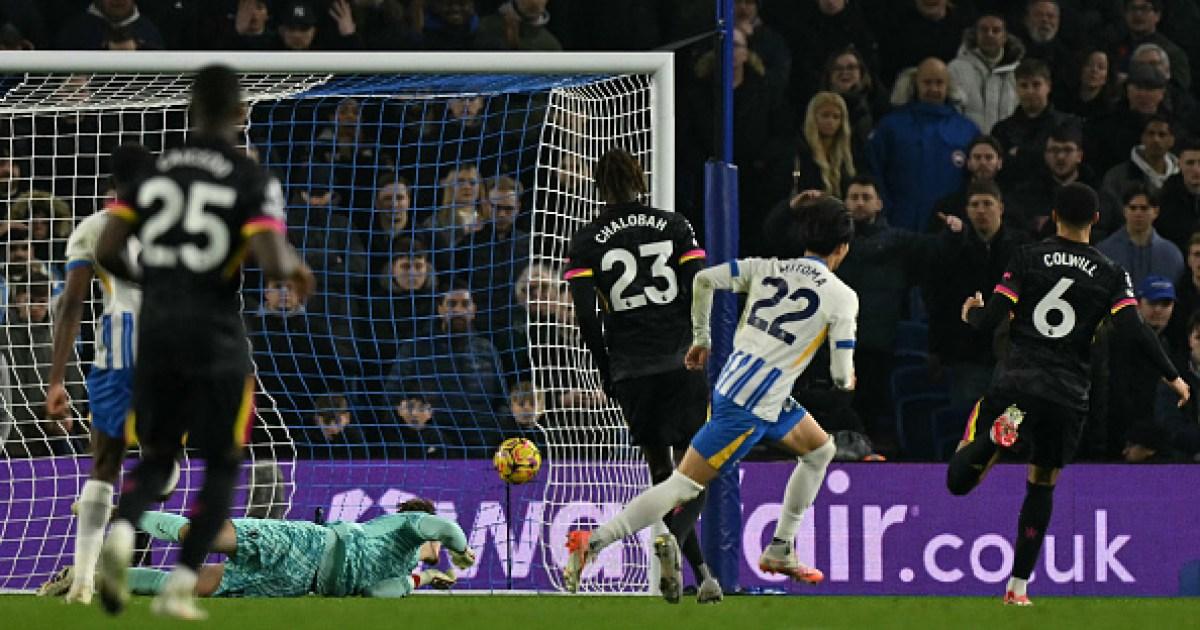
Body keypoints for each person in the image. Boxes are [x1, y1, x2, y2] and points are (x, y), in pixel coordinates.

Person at [92, 65, 315, 621]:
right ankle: (181, 582)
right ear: (240, 112)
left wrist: (155, 282)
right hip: (216, 338)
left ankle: (121, 530)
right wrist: (296, 268)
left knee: (156, 456)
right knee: (221, 462)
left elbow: (109, 249)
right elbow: (270, 260)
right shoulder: (250, 176)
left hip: (156, 333)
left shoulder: (153, 170)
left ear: (190, 108)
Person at [563, 196, 855, 595]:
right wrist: (847, 379)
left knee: (820, 450)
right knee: (683, 486)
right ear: (843, 248)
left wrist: (702, 338)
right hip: (752, 405)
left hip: (741, 385)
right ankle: (593, 542)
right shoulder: (842, 296)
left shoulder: (767, 268)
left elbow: (703, 280)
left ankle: (781, 547)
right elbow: (840, 376)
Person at [949, 182, 1188, 606]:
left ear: (1054, 216)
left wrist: (972, 314)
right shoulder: (1112, 272)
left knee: (961, 479)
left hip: (1018, 384)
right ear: (1096, 219)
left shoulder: (1026, 257)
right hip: (1067, 395)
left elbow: (989, 322)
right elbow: (1134, 330)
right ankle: (1018, 589)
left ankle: (996, 436)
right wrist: (1173, 376)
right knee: (1042, 484)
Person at [564, 148, 717, 602]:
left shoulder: (587, 239)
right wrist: (700, 339)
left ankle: (702, 574)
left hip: (631, 369)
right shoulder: (675, 225)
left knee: (661, 472)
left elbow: (586, 316)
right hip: (680, 360)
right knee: (696, 472)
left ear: (599, 186)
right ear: (640, 179)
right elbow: (700, 286)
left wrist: (606, 369)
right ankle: (681, 548)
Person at [41, 144, 154, 605]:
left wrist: (56, 380)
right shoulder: (176, 225)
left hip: (116, 354)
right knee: (161, 458)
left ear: (112, 184)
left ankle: (83, 582)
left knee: (104, 464)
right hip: (173, 349)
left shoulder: (92, 227)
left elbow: (71, 306)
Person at [91, 499, 472, 598]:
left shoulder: (402, 569)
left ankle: (90, 579)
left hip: (296, 582)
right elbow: (447, 528)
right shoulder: (407, 525)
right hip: (304, 544)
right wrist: (462, 550)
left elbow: (376, 593)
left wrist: (422, 577)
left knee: (188, 586)